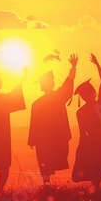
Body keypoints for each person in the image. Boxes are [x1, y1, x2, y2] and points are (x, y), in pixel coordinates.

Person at [28, 54, 78, 184]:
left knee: (46, 162)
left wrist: (73, 68)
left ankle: (47, 185)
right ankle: (47, 185)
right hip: (47, 138)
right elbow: (34, 124)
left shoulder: (49, 100)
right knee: (45, 163)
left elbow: (68, 83)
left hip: (50, 138)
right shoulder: (49, 99)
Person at [71, 54, 101, 188]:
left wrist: (98, 65)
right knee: (98, 164)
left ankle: (95, 187)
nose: (85, 97)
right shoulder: (89, 110)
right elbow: (83, 132)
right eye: (84, 95)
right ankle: (95, 188)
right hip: (97, 143)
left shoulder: (98, 106)